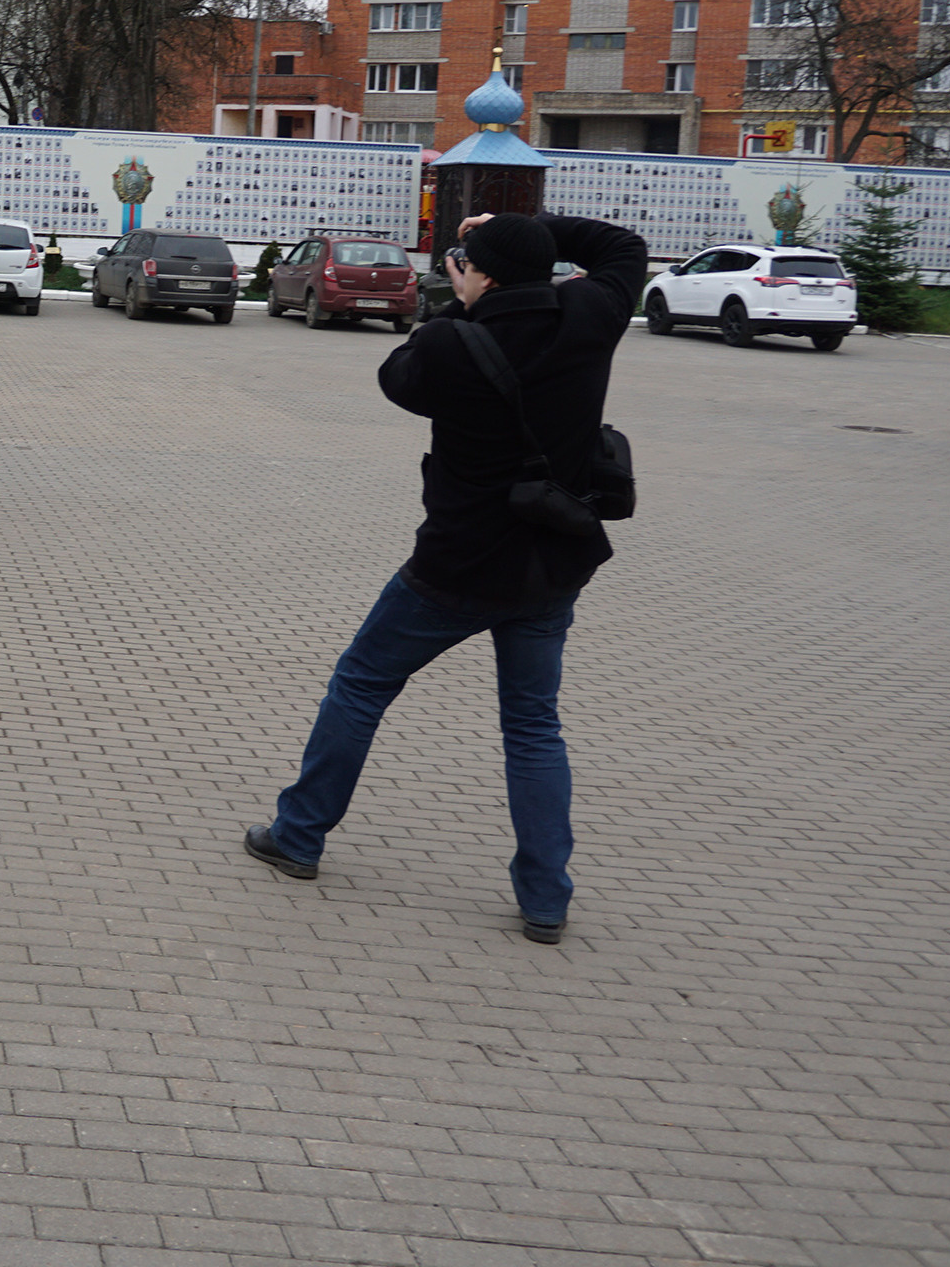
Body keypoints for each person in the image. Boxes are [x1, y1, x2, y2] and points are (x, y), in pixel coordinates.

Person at [243, 209, 648, 944]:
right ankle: (545, 899)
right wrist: (524, 227)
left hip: (454, 568)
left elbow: (397, 379)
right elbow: (622, 245)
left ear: (479, 276)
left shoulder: (448, 342)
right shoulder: (590, 312)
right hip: (551, 565)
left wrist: (464, 305)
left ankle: (297, 837)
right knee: (533, 726)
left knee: (361, 684)